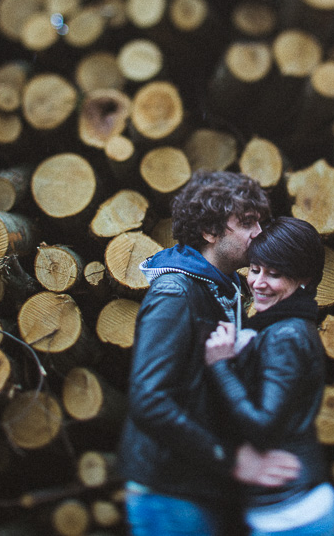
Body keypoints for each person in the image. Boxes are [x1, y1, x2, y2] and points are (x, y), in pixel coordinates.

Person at [119, 171, 302, 536]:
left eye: (260, 222)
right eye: (248, 222)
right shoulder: (175, 293)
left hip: (201, 484)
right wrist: (232, 459)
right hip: (170, 492)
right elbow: (148, 399)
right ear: (209, 231)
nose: (259, 233)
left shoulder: (224, 289)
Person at [204, 217, 334, 536]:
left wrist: (221, 365)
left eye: (274, 274)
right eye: (255, 269)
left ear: (304, 279)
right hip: (290, 508)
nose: (258, 282)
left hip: (291, 514)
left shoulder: (285, 336)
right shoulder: (289, 326)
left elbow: (264, 426)